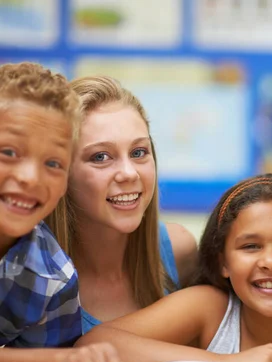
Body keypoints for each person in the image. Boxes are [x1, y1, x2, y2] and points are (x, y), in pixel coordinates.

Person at [0, 62, 125, 362]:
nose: (30, 178)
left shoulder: (55, 277)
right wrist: (64, 361)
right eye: (9, 152)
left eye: (53, 163)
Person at [75, 174, 272, 362]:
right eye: (251, 246)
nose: (271, 262)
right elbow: (92, 345)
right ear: (223, 261)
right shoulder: (210, 309)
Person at [46, 76, 198, 334]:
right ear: (62, 171)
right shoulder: (28, 271)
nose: (129, 173)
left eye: (139, 152)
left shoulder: (179, 252)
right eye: (101, 157)